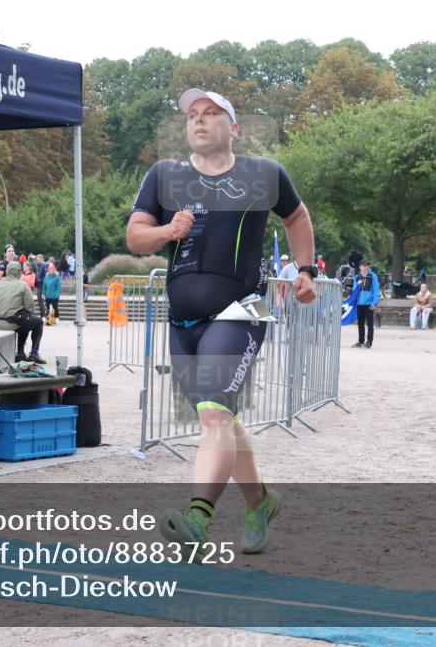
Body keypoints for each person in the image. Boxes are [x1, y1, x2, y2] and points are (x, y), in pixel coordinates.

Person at [126, 87, 316, 555]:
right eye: (193, 115)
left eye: (211, 113)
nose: (200, 120)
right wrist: (168, 231)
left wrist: (306, 270)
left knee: (213, 417)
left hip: (241, 310)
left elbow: (297, 217)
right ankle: (260, 501)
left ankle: (198, 519)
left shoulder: (263, 173)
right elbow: (135, 237)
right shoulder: (164, 176)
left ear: (233, 128)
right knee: (222, 419)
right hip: (183, 321)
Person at [0, 261, 46, 364]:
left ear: (7, 271)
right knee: (38, 322)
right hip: (13, 322)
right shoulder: (23, 285)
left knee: (23, 319)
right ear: (19, 272)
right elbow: (30, 306)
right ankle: (34, 353)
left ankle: (21, 352)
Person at [354, 258, 381, 347]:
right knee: (360, 324)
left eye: (367, 265)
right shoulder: (357, 277)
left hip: (369, 304)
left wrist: (374, 303)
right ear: (360, 267)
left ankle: (369, 342)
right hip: (359, 304)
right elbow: (354, 290)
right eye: (364, 265)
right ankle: (360, 341)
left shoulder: (372, 276)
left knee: (370, 324)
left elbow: (376, 290)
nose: (365, 267)